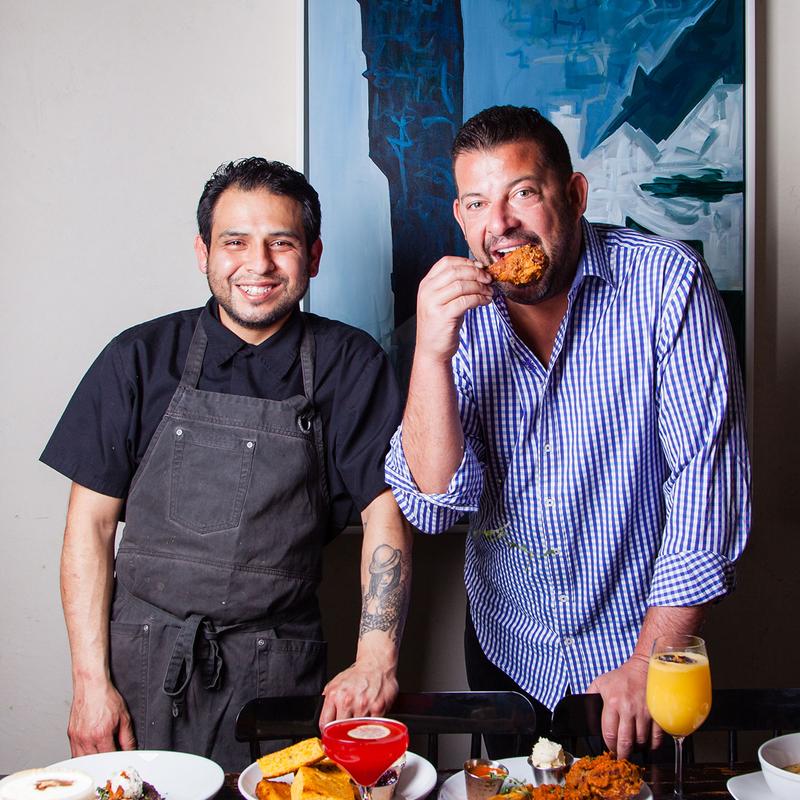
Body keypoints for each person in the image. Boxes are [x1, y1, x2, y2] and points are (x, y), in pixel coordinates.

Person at [385, 105, 750, 759]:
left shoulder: (666, 283)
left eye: (523, 193)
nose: (501, 224)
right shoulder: (456, 317)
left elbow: (707, 487)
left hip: (635, 652)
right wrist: (431, 354)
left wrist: (654, 658)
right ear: (461, 216)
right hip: (508, 649)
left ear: (575, 195)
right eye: (479, 203)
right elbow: (435, 504)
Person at [41, 157, 412, 771]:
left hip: (280, 668)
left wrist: (376, 658)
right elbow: (91, 525)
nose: (258, 264)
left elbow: (384, 512)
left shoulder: (351, 364)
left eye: (281, 243)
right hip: (141, 664)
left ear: (313, 256)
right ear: (203, 252)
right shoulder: (139, 357)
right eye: (234, 242)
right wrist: (88, 683)